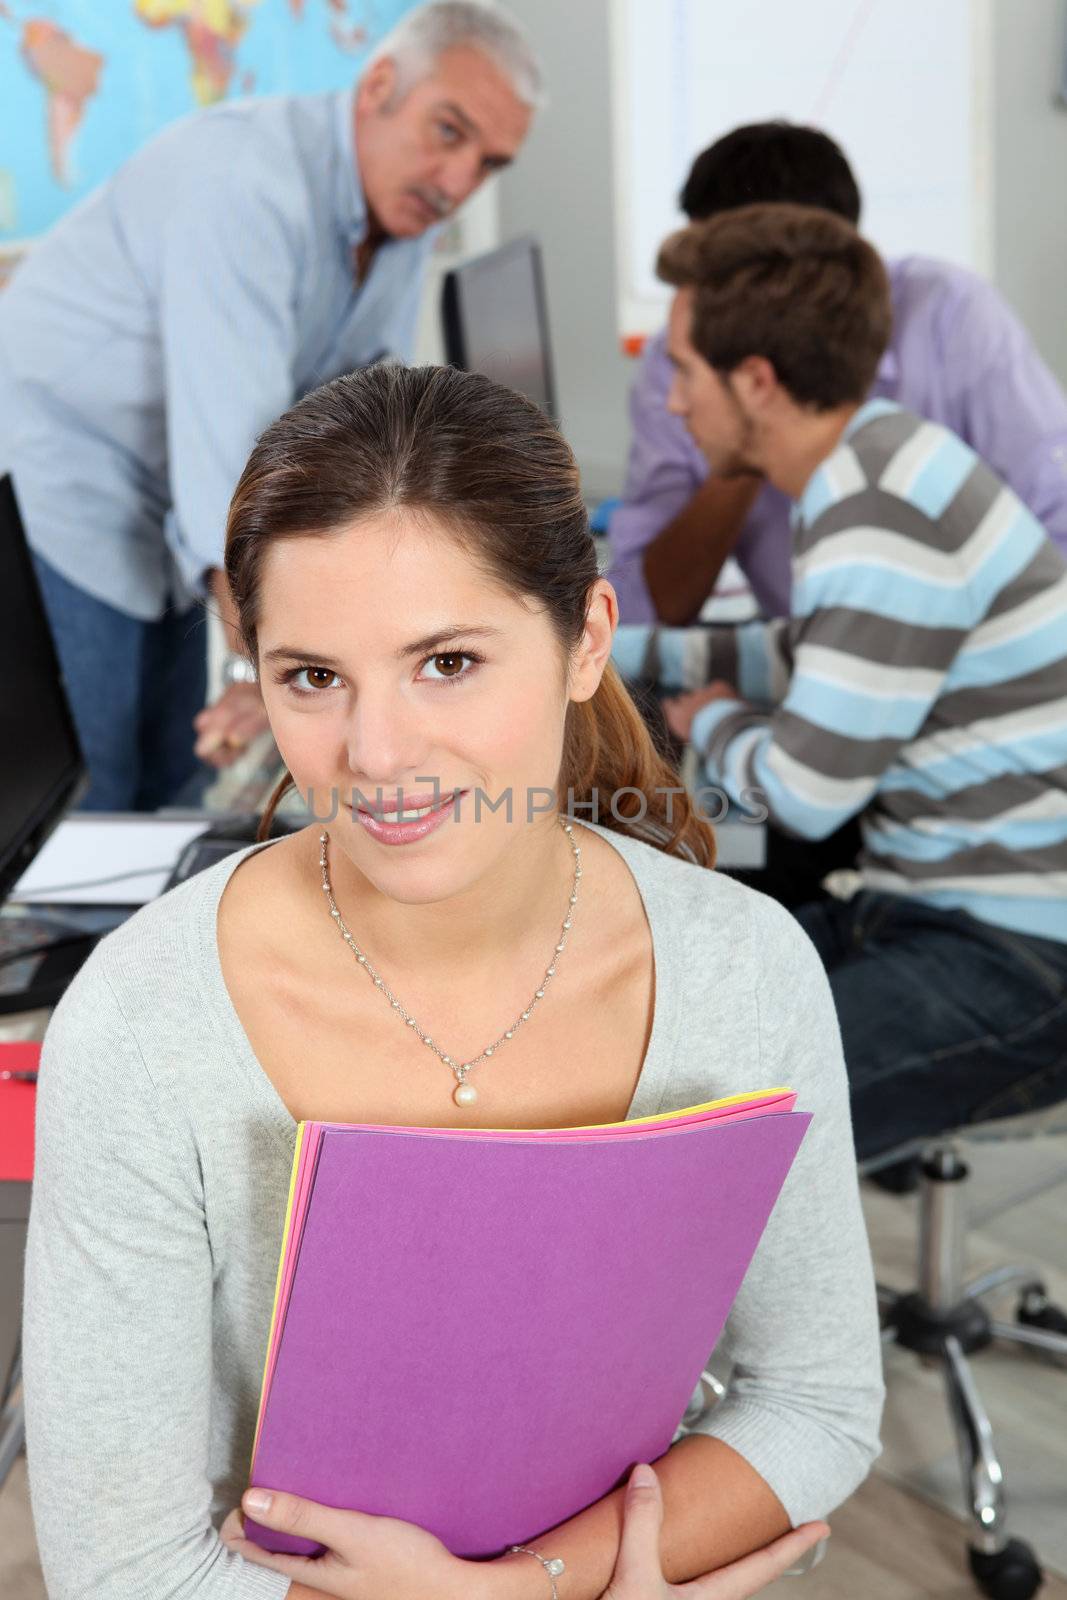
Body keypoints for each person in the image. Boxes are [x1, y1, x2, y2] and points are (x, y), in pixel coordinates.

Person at [23, 363, 882, 1598]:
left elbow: (813, 1399)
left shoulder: (742, 968)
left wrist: (529, 1587)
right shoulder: (146, 1020)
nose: (376, 756)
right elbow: (124, 1572)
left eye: (447, 662)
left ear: (585, 640)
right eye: (312, 676)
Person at [0, 0, 539, 811]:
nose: (460, 182)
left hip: (166, 508)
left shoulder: (404, 209)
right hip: (59, 485)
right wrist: (284, 673)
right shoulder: (246, 188)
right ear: (379, 85)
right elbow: (229, 479)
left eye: (489, 163)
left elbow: (358, 429)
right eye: (449, 131)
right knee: (90, 800)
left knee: (178, 780)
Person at [611, 204, 1067, 1163]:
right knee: (648, 1011)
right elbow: (801, 652)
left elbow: (804, 796)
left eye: (683, 372)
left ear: (757, 382)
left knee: (691, 1120)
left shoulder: (875, 515)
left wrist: (711, 719)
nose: (673, 403)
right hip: (929, 908)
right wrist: (605, 654)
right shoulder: (877, 458)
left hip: (1021, 960)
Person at [605, 121, 1067, 628]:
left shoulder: (950, 318)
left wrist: (760, 409)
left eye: (716, 280)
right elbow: (644, 608)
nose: (676, 399)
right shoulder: (684, 355)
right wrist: (748, 437)